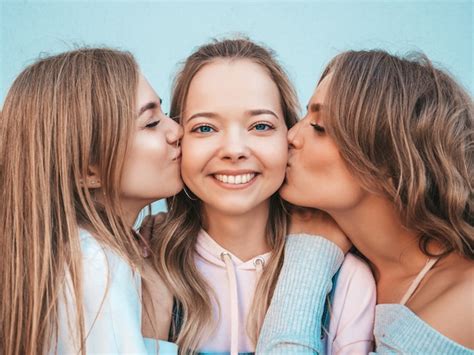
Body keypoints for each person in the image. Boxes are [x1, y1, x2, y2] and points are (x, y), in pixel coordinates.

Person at [147, 38, 375, 354]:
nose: (235, 150)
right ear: (177, 139)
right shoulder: (143, 266)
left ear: (289, 136)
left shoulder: (346, 281)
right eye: (205, 128)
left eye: (261, 125)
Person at [256, 50, 474, 353]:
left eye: (319, 127)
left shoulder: (466, 300)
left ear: (390, 160)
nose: (291, 135)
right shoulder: (355, 266)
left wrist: (310, 252)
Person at [0, 48, 182, 354]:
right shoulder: (95, 264)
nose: (176, 130)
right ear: (87, 170)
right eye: (151, 123)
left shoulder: (70, 258)